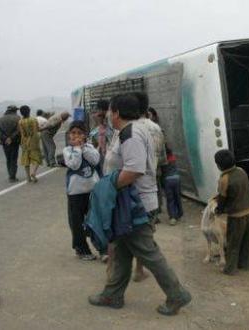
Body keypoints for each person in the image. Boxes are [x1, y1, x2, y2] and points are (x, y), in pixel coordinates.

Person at [88, 93, 191, 316]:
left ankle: (176, 294)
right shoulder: (131, 130)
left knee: (148, 252)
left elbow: (134, 169)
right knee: (123, 251)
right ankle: (113, 294)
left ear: (116, 112)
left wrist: (108, 185)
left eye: (109, 111)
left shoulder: (132, 133)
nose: (107, 114)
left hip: (135, 205)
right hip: (132, 202)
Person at [132, 94, 167, 282]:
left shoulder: (128, 129)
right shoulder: (155, 128)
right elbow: (161, 158)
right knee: (146, 232)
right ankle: (139, 269)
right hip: (151, 185)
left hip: (130, 188)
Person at [214, 149, 249, 275]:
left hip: (237, 215)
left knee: (233, 243)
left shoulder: (224, 179)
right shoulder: (241, 171)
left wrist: (218, 210)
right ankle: (244, 265)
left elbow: (222, 199)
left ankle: (230, 269)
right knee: (247, 241)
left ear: (219, 165)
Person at [63, 121, 100, 261]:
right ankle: (81, 249)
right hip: (75, 193)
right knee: (77, 223)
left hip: (92, 190)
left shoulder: (89, 147)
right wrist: (77, 149)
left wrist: (83, 148)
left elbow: (96, 160)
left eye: (80, 133)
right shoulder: (68, 151)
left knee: (96, 220)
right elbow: (74, 164)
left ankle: (101, 248)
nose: (76, 136)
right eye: (73, 133)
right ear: (69, 135)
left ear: (85, 135)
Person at [89, 100, 114, 175]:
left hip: (109, 157)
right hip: (100, 157)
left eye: (98, 111)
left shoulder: (112, 127)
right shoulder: (96, 130)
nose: (96, 115)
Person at [18, 105, 42, 182]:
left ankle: (28, 178)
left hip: (24, 142)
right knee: (37, 157)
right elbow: (37, 130)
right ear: (29, 111)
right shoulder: (33, 119)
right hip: (33, 141)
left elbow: (22, 133)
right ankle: (33, 172)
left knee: (26, 159)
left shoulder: (20, 121)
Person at [0, 105, 21, 182]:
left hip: (5, 142)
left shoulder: (0, 119)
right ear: (14, 111)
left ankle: (10, 175)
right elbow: (19, 131)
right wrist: (11, 138)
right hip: (15, 142)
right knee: (13, 159)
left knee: (8, 159)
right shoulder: (18, 118)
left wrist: (5, 138)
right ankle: (12, 177)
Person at [161, 150, 183, 226]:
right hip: (177, 179)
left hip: (168, 180)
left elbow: (161, 172)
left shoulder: (163, 159)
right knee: (177, 197)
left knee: (170, 199)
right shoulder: (173, 158)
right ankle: (179, 213)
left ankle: (173, 218)